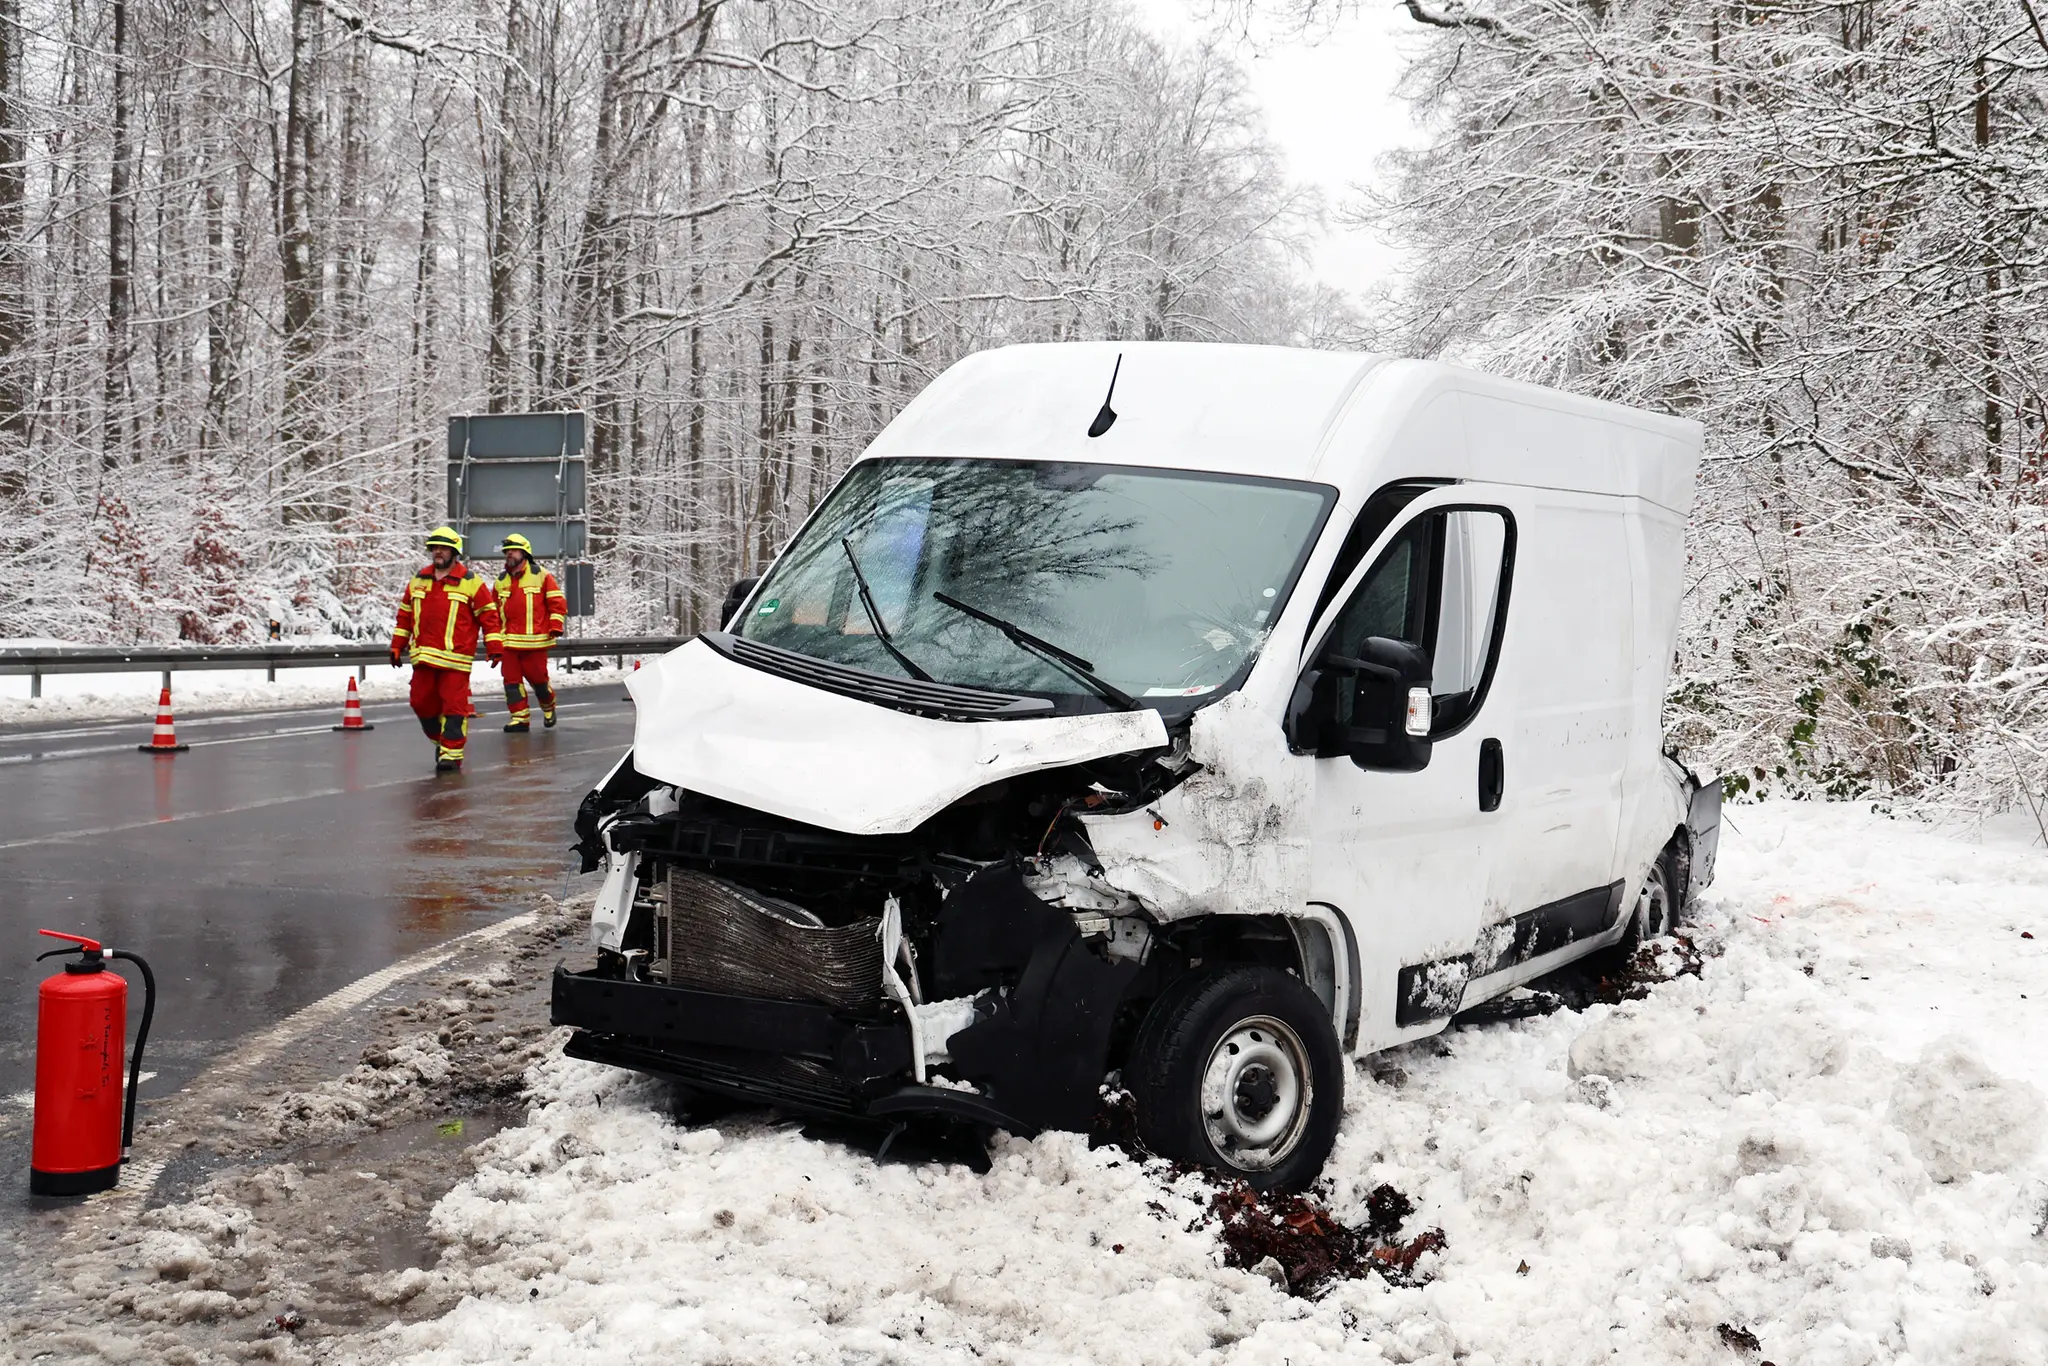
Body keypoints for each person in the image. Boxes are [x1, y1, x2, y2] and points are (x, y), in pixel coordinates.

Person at [390, 526, 502, 773]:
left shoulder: (471, 583)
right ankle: (442, 742)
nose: (438, 552)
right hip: (423, 658)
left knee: (454, 708)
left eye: (443, 548)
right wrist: (397, 645)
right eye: (435, 548)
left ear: (455, 552)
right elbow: (405, 616)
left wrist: (495, 646)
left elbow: (489, 616)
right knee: (420, 703)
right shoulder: (418, 580)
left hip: (455, 661)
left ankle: (451, 755)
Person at [494, 533, 567, 731]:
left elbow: (557, 603)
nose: (509, 554)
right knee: (511, 682)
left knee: (539, 681)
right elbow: (493, 612)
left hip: (536, 642)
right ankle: (520, 718)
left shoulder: (541, 575)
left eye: (514, 550)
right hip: (509, 643)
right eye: (507, 551)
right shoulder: (500, 580)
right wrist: (494, 641)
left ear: (525, 553)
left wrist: (555, 626)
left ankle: (548, 706)